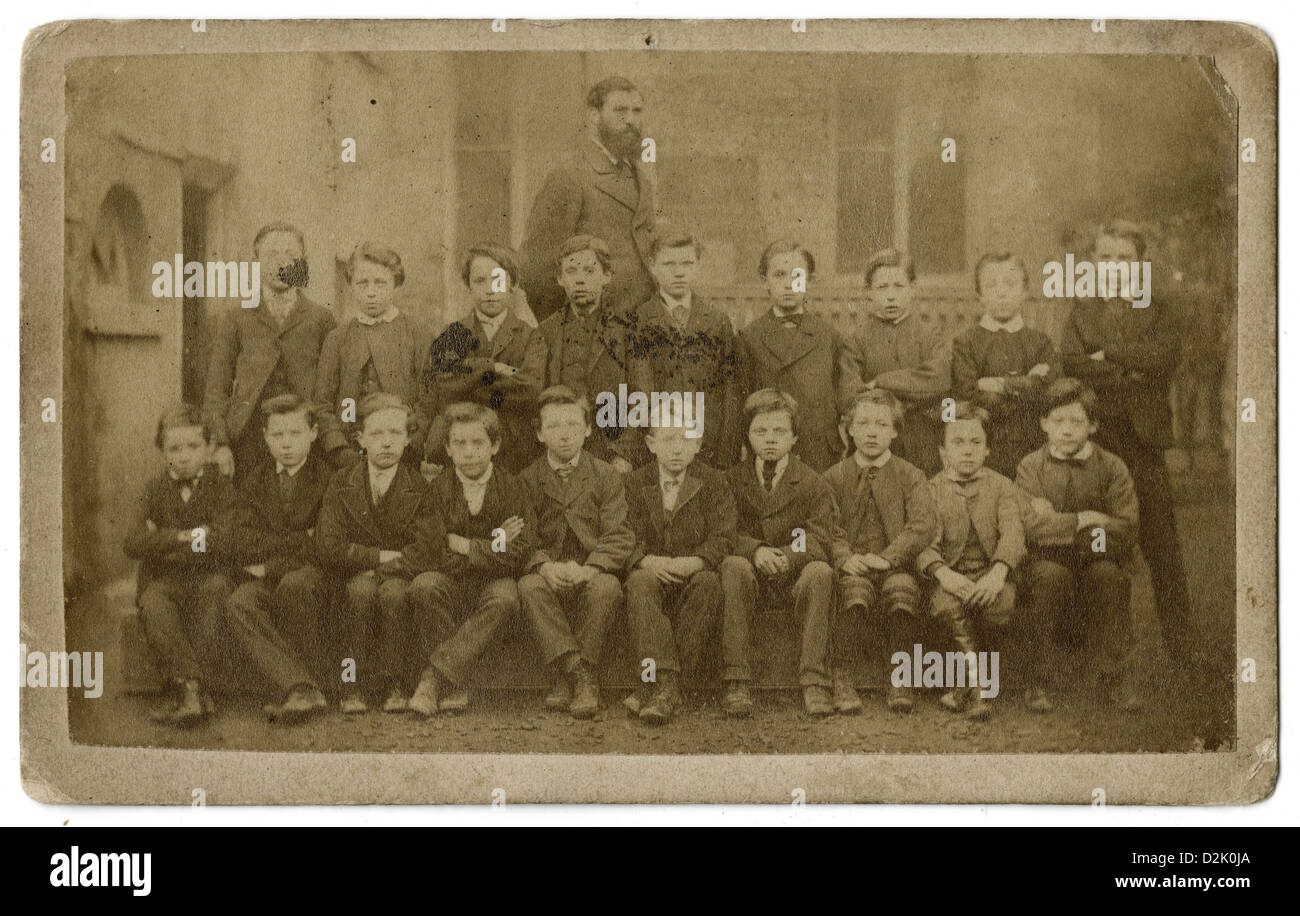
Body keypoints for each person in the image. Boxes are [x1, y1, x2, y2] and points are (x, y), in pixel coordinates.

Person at [1059, 222, 1210, 719]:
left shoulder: (1157, 308)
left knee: (1162, 546)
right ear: (1094, 263)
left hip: (1144, 444)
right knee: (1097, 546)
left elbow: (1165, 358)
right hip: (1099, 444)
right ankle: (1094, 655)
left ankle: (1182, 647)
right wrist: (1125, 368)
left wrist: (1114, 357)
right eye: (1105, 257)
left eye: (1124, 258)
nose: (1114, 266)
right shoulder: (1083, 311)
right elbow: (1074, 362)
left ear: (1138, 263)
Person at [1016, 378, 1140, 712]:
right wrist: (1084, 519)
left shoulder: (1112, 467)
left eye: (1077, 421)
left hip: (1098, 557)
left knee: (1107, 578)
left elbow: (1125, 527)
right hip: (1048, 559)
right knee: (1047, 578)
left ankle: (1114, 679)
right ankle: (1038, 680)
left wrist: (1061, 525)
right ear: (1043, 423)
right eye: (1058, 421)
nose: (1067, 430)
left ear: (1093, 425)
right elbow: (1029, 525)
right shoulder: (1031, 466)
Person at [313, 393, 442, 714]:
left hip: (397, 574)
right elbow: (328, 545)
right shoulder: (342, 482)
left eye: (395, 434)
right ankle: (350, 683)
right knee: (358, 592)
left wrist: (384, 569)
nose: (386, 443)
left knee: (395, 595)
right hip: (354, 574)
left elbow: (425, 550)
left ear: (408, 438)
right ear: (360, 439)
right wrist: (378, 558)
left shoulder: (419, 486)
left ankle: (394, 682)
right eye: (376, 434)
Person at [408, 403, 537, 717]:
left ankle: (436, 678)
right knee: (425, 586)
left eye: (478, 443)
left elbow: (520, 552)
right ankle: (455, 682)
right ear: (449, 449)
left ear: (494, 446)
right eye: (460, 444)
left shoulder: (512, 487)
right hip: (452, 580)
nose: (469, 452)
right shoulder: (437, 491)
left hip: (495, 584)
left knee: (507, 598)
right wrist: (495, 543)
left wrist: (465, 545)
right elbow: (433, 551)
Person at [719, 389, 838, 717]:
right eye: (760, 431)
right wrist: (755, 551)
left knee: (821, 573)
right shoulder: (731, 481)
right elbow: (724, 532)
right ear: (747, 436)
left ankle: (814, 680)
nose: (770, 439)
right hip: (751, 579)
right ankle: (736, 678)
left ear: (795, 436)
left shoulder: (813, 483)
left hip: (793, 579)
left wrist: (788, 554)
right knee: (732, 565)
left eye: (779, 431)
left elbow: (820, 537)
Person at [518, 386, 633, 718]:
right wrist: (545, 566)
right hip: (549, 574)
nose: (564, 435)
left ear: (587, 429)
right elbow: (524, 540)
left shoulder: (606, 475)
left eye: (572, 425)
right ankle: (579, 673)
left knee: (608, 588)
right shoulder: (528, 479)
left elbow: (619, 536)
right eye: (553, 427)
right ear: (539, 433)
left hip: (590, 572)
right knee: (528, 587)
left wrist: (589, 569)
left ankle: (568, 676)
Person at [123, 403, 238, 726]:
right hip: (164, 581)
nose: (184, 455)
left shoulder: (222, 488)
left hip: (208, 576)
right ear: (162, 450)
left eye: (193, 446)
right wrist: (189, 536)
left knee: (216, 591)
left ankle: (198, 691)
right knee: (154, 602)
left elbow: (225, 539)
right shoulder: (153, 489)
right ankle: (192, 690)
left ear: (210, 448)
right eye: (174, 448)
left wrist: (163, 539)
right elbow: (132, 542)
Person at [824, 389, 937, 714]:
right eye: (863, 423)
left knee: (901, 589)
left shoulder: (910, 475)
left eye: (881, 424)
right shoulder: (834, 477)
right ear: (850, 429)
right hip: (853, 566)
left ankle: (900, 675)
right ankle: (842, 675)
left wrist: (888, 557)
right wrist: (846, 559)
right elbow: (828, 526)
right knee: (853, 591)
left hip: (895, 564)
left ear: (895, 430)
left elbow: (921, 525)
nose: (872, 432)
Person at [223, 394, 333, 723]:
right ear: (265, 437)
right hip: (266, 576)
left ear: (313, 433)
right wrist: (300, 539)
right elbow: (242, 541)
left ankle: (306, 687)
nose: (286, 444)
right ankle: (300, 687)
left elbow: (324, 545)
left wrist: (271, 562)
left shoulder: (330, 479)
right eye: (277, 435)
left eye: (295, 434)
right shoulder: (253, 481)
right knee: (240, 602)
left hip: (313, 574)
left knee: (295, 585)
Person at [623, 411, 738, 725]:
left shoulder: (714, 481)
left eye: (686, 439)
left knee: (709, 582)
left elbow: (724, 535)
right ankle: (669, 685)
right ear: (651, 444)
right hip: (654, 571)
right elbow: (623, 532)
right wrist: (645, 559)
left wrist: (697, 560)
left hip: (692, 573)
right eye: (668, 439)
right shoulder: (635, 482)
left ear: (698, 443)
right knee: (638, 582)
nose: (677, 448)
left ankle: (659, 685)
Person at [917, 402, 1025, 720]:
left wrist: (999, 572)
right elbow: (923, 542)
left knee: (1000, 605)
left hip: (991, 574)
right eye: (957, 443)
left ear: (988, 449)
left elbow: (1013, 533)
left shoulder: (1003, 486)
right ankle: (978, 690)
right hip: (950, 578)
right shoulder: (930, 490)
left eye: (976, 443)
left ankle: (965, 687)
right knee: (947, 607)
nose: (967, 451)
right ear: (942, 451)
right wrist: (943, 573)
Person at [204, 221, 336, 480]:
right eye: (272, 254)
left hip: (307, 439)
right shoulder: (236, 317)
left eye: (290, 255)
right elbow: (216, 389)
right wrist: (220, 444)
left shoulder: (321, 319)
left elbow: (334, 387)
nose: (281, 263)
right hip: (249, 439)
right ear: (256, 261)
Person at [520, 76, 658, 321]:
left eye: (637, 111)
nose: (631, 121)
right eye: (620, 111)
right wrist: (568, 332)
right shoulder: (570, 175)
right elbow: (536, 270)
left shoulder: (640, 177)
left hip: (641, 329)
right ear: (594, 116)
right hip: (593, 336)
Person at [421, 244, 546, 473]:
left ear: (512, 285)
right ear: (468, 286)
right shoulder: (454, 332)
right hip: (460, 451)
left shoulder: (530, 336)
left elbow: (531, 388)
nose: (489, 290)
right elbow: (445, 380)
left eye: (497, 280)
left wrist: (468, 384)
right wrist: (493, 367)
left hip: (513, 451)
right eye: (479, 281)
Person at [629, 230, 743, 468]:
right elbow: (641, 389)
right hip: (661, 447)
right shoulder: (640, 320)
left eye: (687, 263)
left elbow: (730, 392)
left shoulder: (717, 321)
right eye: (669, 264)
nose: (679, 272)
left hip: (708, 445)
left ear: (697, 265)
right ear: (653, 266)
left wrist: (727, 451)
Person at [314, 242, 432, 468]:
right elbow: (322, 403)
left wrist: (410, 443)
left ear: (395, 284)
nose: (371, 292)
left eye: (380, 283)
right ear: (350, 286)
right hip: (348, 455)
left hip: (402, 452)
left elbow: (428, 400)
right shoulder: (337, 338)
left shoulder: (418, 334)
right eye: (362, 283)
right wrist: (338, 448)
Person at [839, 248, 949, 475]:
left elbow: (940, 379)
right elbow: (848, 395)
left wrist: (880, 383)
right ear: (869, 292)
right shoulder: (856, 339)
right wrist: (910, 397)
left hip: (920, 443)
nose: (891, 295)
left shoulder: (929, 334)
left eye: (899, 286)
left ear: (913, 289)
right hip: (872, 446)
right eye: (882, 287)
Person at [537, 234, 642, 470]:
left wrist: (623, 455)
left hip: (612, 455)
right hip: (559, 454)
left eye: (589, 271)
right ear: (560, 279)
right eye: (571, 271)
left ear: (607, 276)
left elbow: (640, 398)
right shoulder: (546, 331)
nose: (580, 280)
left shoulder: (628, 331)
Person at [951, 252, 1059, 477]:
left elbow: (1049, 389)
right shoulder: (965, 343)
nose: (1001, 293)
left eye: (1010, 284)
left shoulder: (1039, 342)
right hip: (986, 447)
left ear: (1025, 291)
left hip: (1033, 444)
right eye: (991, 286)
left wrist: (998, 384)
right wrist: (1026, 382)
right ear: (979, 295)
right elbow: (967, 392)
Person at [739, 241, 844, 471]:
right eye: (778, 275)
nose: (788, 284)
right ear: (764, 281)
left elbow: (843, 396)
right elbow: (744, 403)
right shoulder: (749, 338)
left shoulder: (829, 336)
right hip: (770, 451)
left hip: (819, 454)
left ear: (809, 280)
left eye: (796, 275)